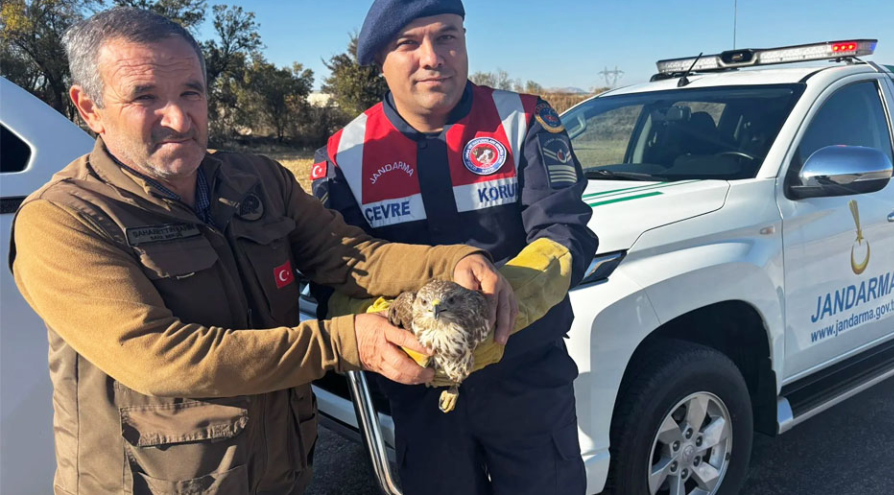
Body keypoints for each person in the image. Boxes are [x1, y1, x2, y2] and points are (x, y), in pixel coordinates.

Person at [8, 7, 515, 495]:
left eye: (192, 92)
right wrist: (343, 342)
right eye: (145, 97)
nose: (180, 118)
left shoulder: (256, 180)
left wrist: (453, 260)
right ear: (89, 107)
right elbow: (157, 357)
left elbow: (348, 254)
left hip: (281, 471)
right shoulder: (63, 219)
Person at [310, 1, 599, 493]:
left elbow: (565, 232)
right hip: (419, 392)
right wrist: (407, 329)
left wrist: (498, 307)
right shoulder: (343, 154)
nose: (433, 57)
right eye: (408, 44)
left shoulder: (525, 119)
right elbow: (334, 277)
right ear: (380, 59)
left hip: (525, 378)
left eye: (447, 37)